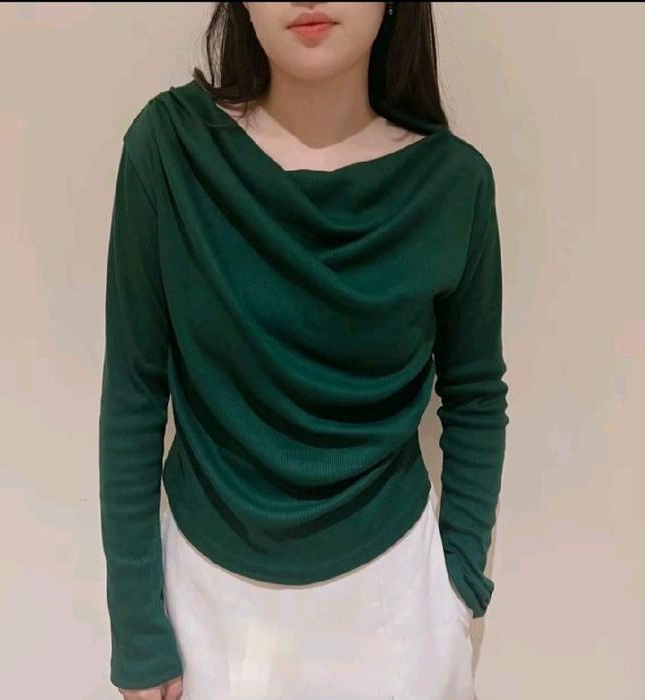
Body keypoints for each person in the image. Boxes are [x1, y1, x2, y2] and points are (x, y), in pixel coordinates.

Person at [98, 2, 510, 699]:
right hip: (204, 601)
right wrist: (137, 629)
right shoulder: (168, 150)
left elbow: (474, 395)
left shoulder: (454, 183)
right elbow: (134, 392)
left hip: (397, 610)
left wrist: (458, 589)